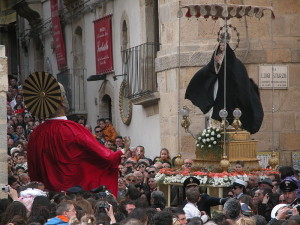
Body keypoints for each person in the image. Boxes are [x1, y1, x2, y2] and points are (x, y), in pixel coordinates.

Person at [24, 72, 124, 196]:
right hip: (73, 197)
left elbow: (33, 168)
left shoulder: (36, 135)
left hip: (46, 196)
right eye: (64, 95)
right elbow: (106, 157)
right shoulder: (73, 130)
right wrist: (121, 152)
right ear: (61, 99)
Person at [185, 33, 264, 134]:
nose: (222, 47)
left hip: (231, 97)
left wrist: (222, 63)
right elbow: (210, 71)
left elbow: (238, 80)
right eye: (221, 45)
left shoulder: (236, 64)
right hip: (218, 92)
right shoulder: (216, 59)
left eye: (224, 46)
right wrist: (217, 63)